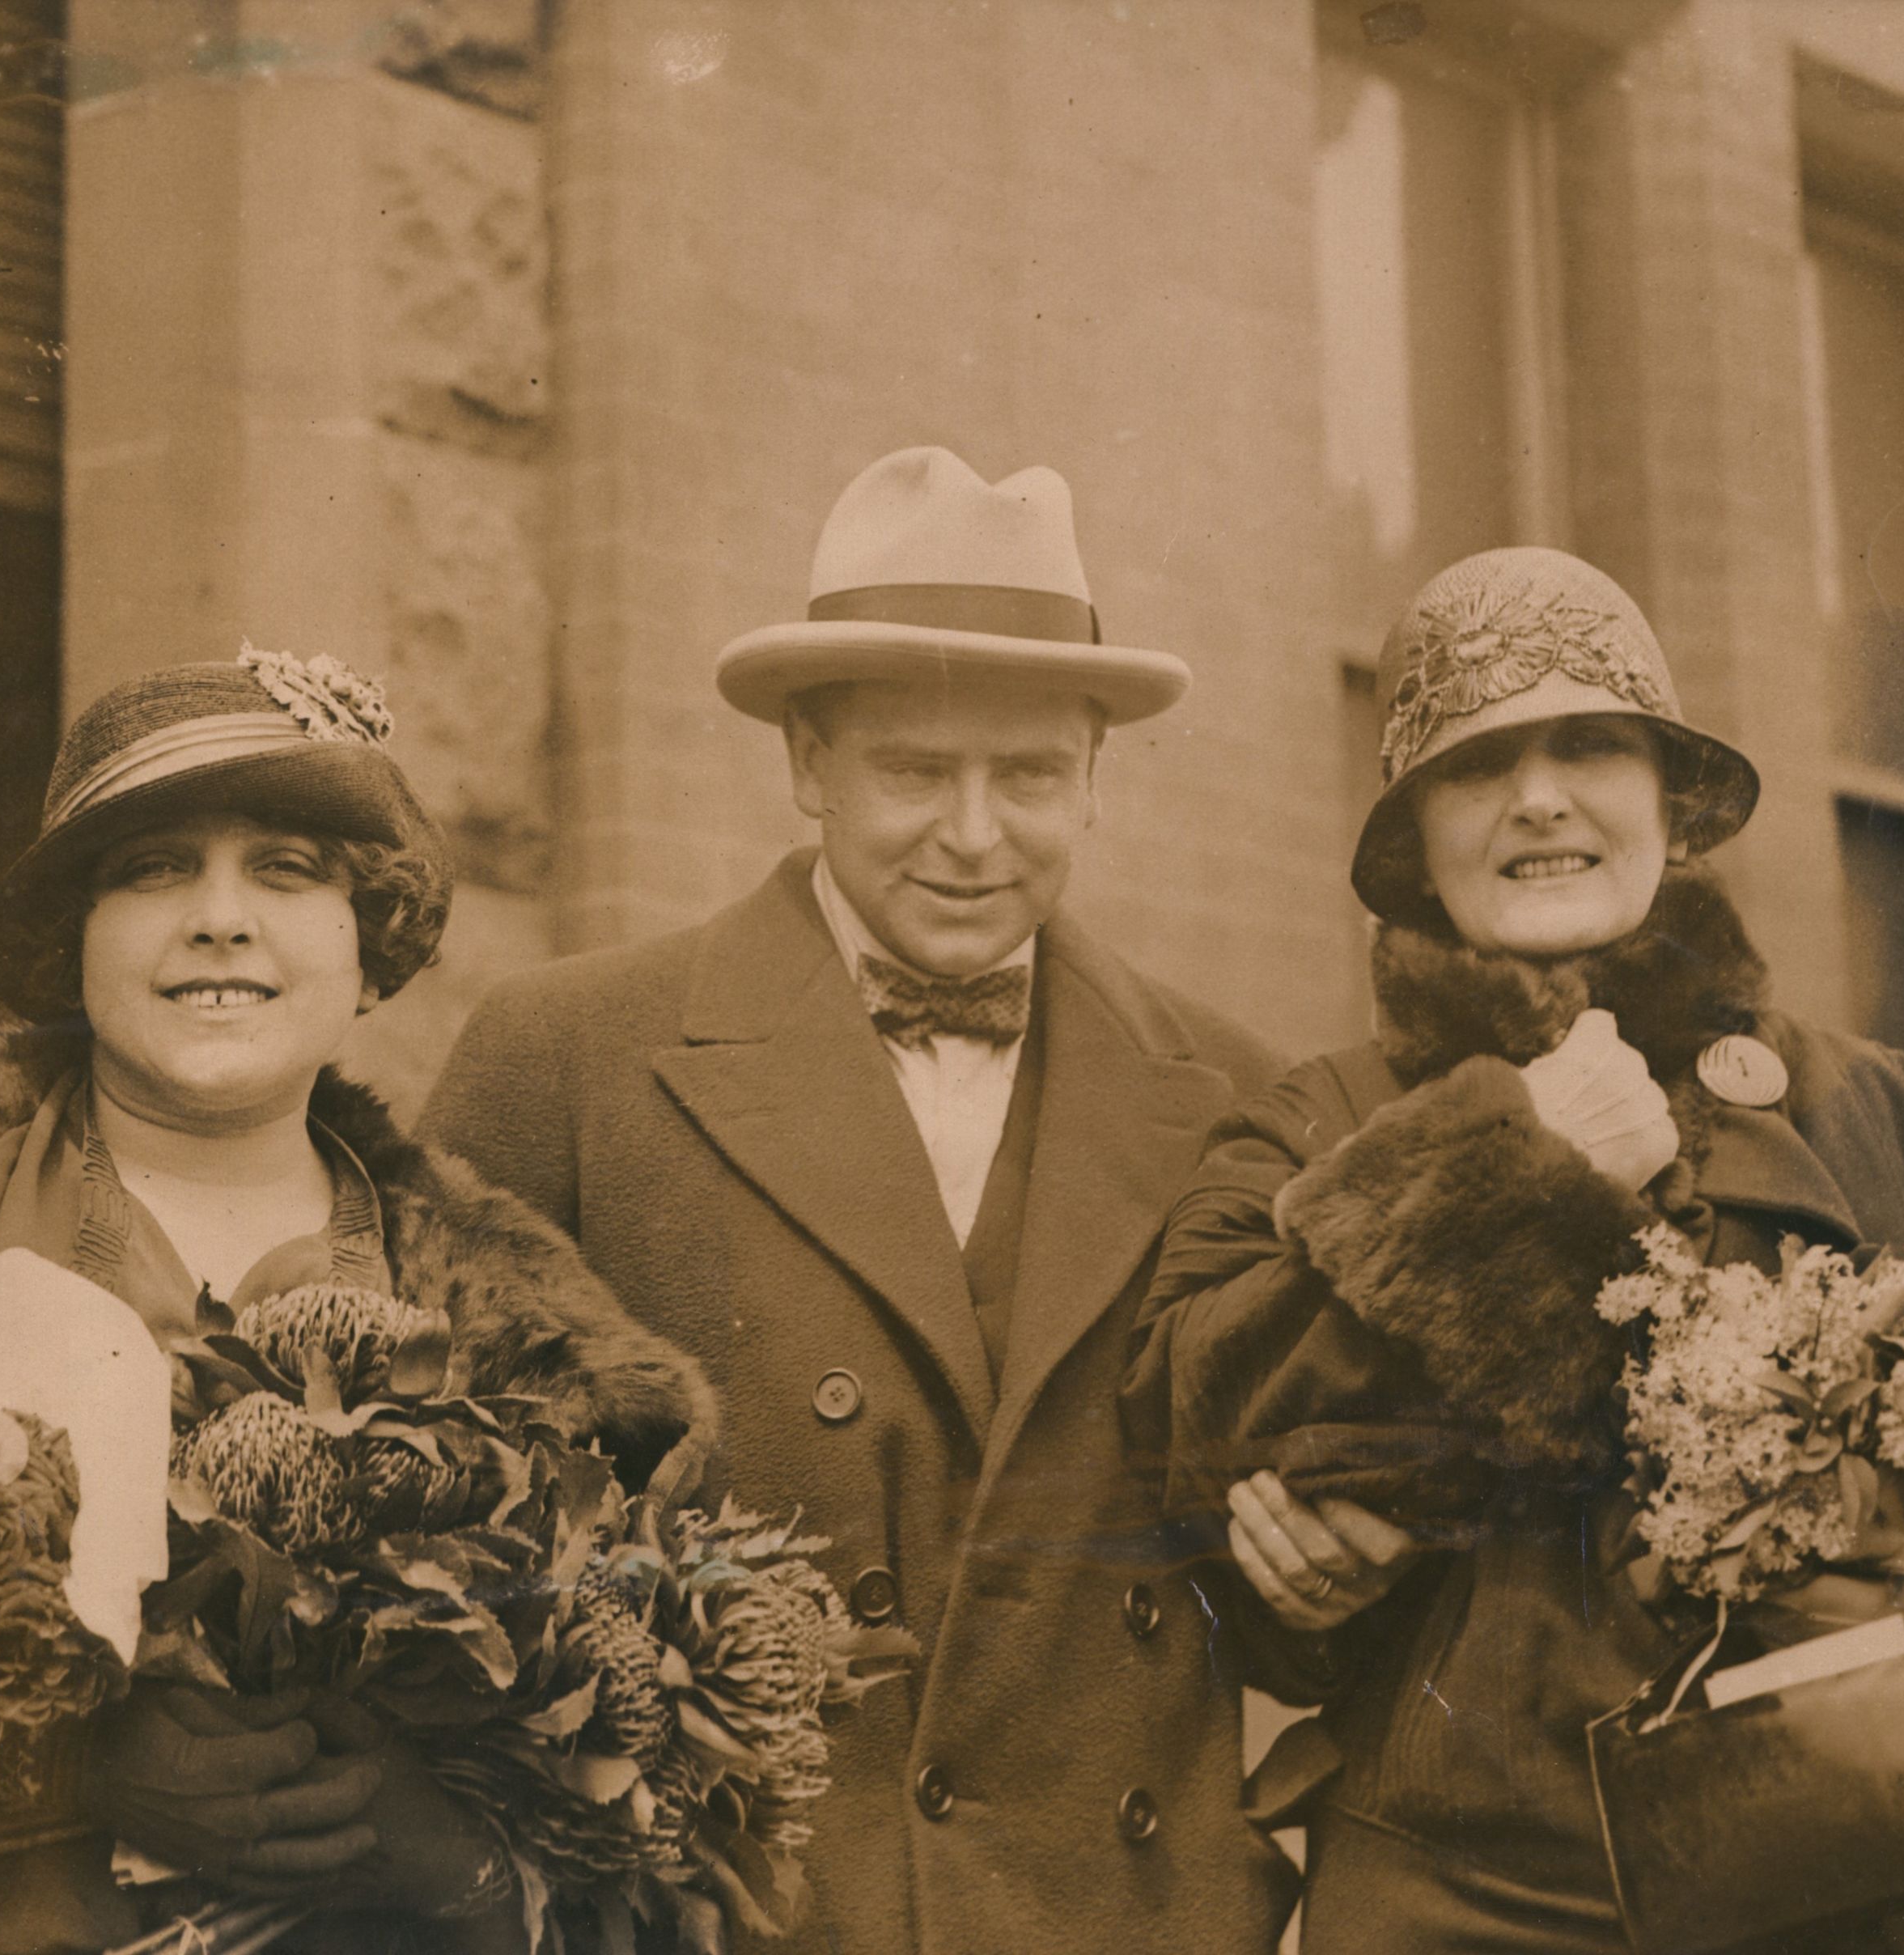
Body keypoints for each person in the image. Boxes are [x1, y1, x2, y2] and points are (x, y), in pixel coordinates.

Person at [0, 651, 716, 1954]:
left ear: (369, 939)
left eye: (286, 871)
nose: (220, 918)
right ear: (76, 937)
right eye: (153, 868)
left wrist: (467, 1860)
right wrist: (54, 1765)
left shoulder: (535, 1345)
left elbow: (659, 1813)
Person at [1121, 545, 1904, 1952]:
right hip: (1460, 1902)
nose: (1539, 796)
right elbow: (1190, 1426)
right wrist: (1523, 1169)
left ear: (1675, 806)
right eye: (1479, 763)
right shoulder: (1309, 1127)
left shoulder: (1898, 1116)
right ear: (1414, 842)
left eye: (1591, 746)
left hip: (1869, 1878)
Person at [422, 447, 1299, 1953]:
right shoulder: (566, 1057)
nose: (973, 833)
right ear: (808, 766)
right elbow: (420, 1546)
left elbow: (1289, 1599)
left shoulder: (1233, 1093)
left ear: (1094, 777)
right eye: (913, 771)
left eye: (1029, 776)